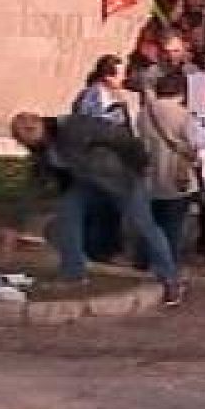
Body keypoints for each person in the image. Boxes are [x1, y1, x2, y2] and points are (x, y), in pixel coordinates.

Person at [4, 111, 185, 306]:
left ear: (39, 124)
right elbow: (35, 184)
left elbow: (120, 137)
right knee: (67, 216)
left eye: (29, 132)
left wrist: (140, 167)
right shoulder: (42, 149)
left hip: (120, 180)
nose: (28, 141)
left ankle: (171, 278)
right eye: (22, 138)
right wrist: (15, 224)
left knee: (143, 225)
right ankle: (73, 273)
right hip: (86, 183)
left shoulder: (74, 127)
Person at [135, 68, 201, 266]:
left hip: (149, 179)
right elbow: (195, 144)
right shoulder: (184, 115)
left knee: (150, 223)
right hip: (176, 180)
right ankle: (168, 265)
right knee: (172, 226)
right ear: (181, 92)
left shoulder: (144, 114)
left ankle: (144, 260)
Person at [70, 54, 132, 262]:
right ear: (107, 76)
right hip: (98, 159)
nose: (124, 79)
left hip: (112, 159)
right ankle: (98, 250)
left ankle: (105, 248)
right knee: (101, 207)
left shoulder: (113, 96)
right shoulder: (93, 96)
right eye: (120, 74)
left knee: (109, 206)